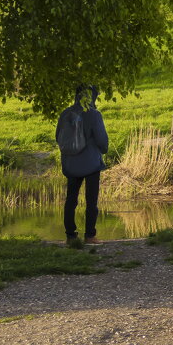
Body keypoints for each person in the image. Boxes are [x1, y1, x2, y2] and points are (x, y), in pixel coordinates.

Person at [55, 85, 109, 245]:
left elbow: (58, 136)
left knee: (71, 200)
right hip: (91, 162)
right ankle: (90, 235)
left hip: (70, 163)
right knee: (91, 201)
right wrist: (103, 150)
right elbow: (102, 140)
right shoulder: (94, 115)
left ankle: (71, 236)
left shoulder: (65, 113)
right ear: (92, 96)